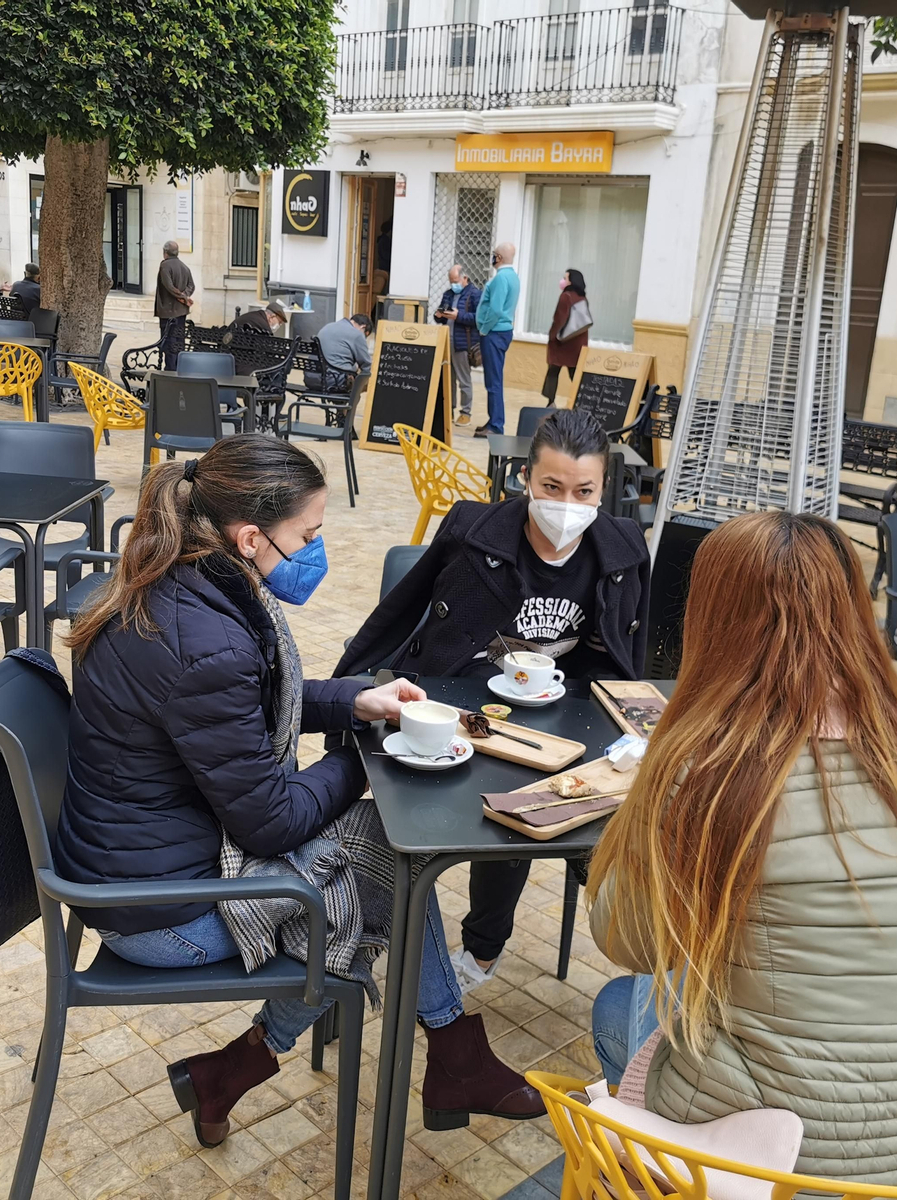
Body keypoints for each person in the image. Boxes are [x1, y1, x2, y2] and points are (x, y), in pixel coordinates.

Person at [57, 436, 544, 1146]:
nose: (315, 550)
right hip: (159, 916)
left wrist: (358, 703)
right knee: (387, 867)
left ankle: (267, 1067)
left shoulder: (181, 582)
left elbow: (244, 709)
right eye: (307, 535)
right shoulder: (206, 639)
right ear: (249, 536)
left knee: (379, 863)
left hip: (138, 861)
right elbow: (271, 821)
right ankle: (448, 1055)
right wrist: (372, 753)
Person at [585, 511, 897, 1189]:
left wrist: (641, 813)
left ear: (713, 621)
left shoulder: (711, 771)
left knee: (619, 1006)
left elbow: (627, 940)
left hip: (770, 1164)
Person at [337, 408, 650, 991]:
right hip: (462, 705)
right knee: (503, 817)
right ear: (526, 479)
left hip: (565, 713)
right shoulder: (471, 531)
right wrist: (347, 689)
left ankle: (610, 924)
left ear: (603, 488)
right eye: (551, 487)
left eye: (584, 490)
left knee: (582, 817)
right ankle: (474, 947)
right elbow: (398, 613)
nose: (566, 505)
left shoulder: (624, 547)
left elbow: (632, 648)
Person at [474, 241, 519, 436]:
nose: (492, 257)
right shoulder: (513, 277)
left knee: (493, 381)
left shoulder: (501, 278)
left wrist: (484, 329)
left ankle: (496, 425)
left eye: (494, 254)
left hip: (494, 332)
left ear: (499, 258)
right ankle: (493, 420)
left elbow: (496, 308)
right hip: (501, 331)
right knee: (494, 379)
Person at [434, 264, 481, 425]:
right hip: (447, 342)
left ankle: (465, 412)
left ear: (465, 278)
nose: (453, 284)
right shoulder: (448, 294)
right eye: (451, 281)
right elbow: (440, 317)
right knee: (448, 379)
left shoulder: (474, 295)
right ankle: (449, 410)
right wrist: (439, 315)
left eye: (455, 281)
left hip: (463, 344)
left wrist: (458, 316)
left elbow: (478, 319)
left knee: (464, 379)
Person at [542, 268, 590, 402]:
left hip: (562, 343)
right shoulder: (582, 297)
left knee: (553, 371)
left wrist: (552, 336)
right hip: (578, 343)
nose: (562, 281)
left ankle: (550, 402)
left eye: (565, 278)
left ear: (571, 281)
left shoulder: (566, 296)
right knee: (574, 373)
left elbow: (559, 319)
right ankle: (583, 400)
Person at [155, 240, 195, 370]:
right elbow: (191, 286)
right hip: (181, 312)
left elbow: (169, 287)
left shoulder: (165, 266)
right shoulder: (184, 266)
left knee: (169, 342)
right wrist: (185, 296)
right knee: (179, 340)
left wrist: (182, 297)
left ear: (165, 252)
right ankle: (178, 367)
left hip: (168, 312)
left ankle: (171, 370)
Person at [314, 313, 373, 392]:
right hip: (334, 382)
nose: (364, 339)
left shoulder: (327, 327)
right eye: (365, 336)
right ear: (363, 327)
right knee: (364, 385)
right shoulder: (357, 334)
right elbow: (366, 365)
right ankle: (348, 403)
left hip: (312, 379)